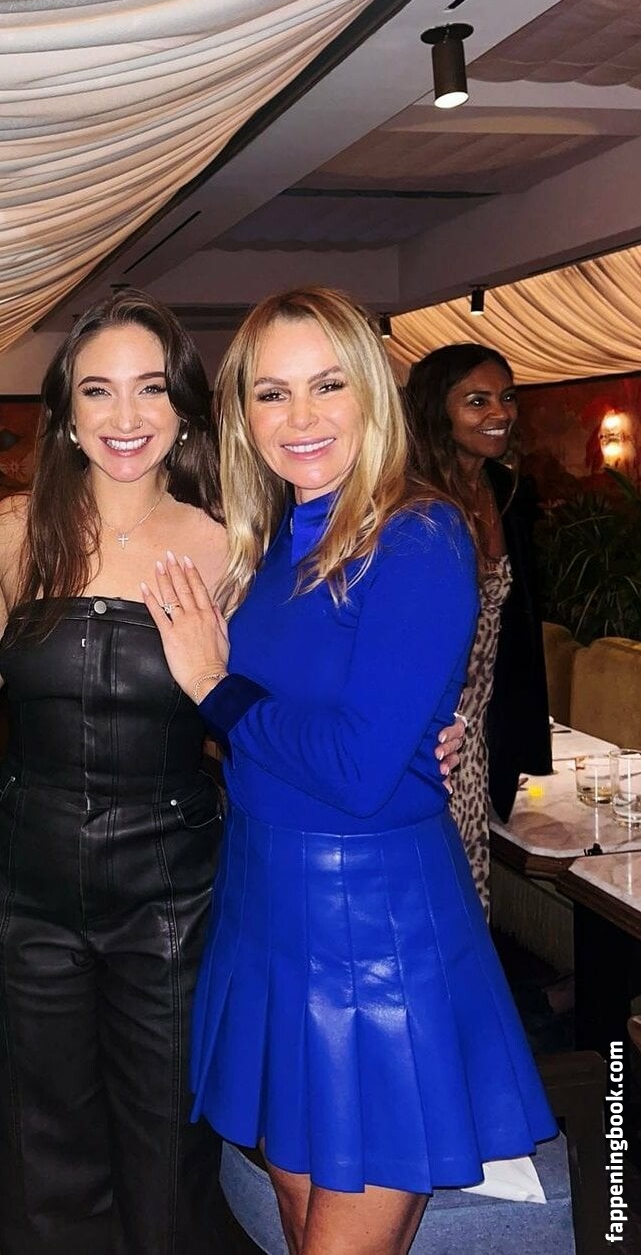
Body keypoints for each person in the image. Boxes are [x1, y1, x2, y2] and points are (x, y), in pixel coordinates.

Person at [143, 287, 557, 1255]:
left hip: (375, 924)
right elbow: (274, 737)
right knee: (297, 1230)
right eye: (272, 393)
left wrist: (215, 691)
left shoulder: (415, 535)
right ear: (242, 415)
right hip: (264, 903)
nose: (300, 417)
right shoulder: (262, 550)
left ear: (370, 392)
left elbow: (356, 769)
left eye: (327, 385)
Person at [0, 291, 229, 1255]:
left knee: (169, 1146)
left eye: (150, 388)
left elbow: (276, 711)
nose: (125, 416)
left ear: (183, 408)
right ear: (65, 413)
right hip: (28, 887)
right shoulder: (15, 532)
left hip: (174, 894)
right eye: (98, 390)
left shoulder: (231, 542)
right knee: (40, 1145)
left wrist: (424, 735)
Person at [404, 343, 553, 915]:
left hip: (479, 729)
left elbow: (516, 624)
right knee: (425, 896)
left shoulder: (506, 489)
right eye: (477, 400)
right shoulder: (409, 501)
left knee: (469, 893)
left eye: (507, 397)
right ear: (436, 409)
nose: (500, 413)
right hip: (424, 731)